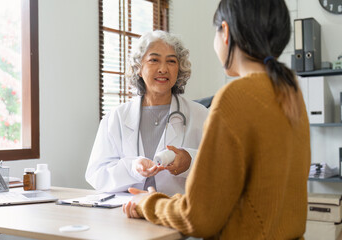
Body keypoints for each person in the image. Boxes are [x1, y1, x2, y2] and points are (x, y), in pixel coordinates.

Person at [122, 0, 311, 239]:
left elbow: (198, 218)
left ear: (226, 32)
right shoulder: (289, 92)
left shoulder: (235, 97)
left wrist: (149, 203)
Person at [85, 31, 209, 196]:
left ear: (179, 69)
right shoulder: (116, 117)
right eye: (154, 60)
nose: (163, 69)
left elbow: (222, 166)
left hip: (177, 214)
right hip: (127, 212)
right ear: (138, 68)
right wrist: (132, 168)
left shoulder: (200, 115)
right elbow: (97, 175)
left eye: (171, 61)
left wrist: (190, 161)